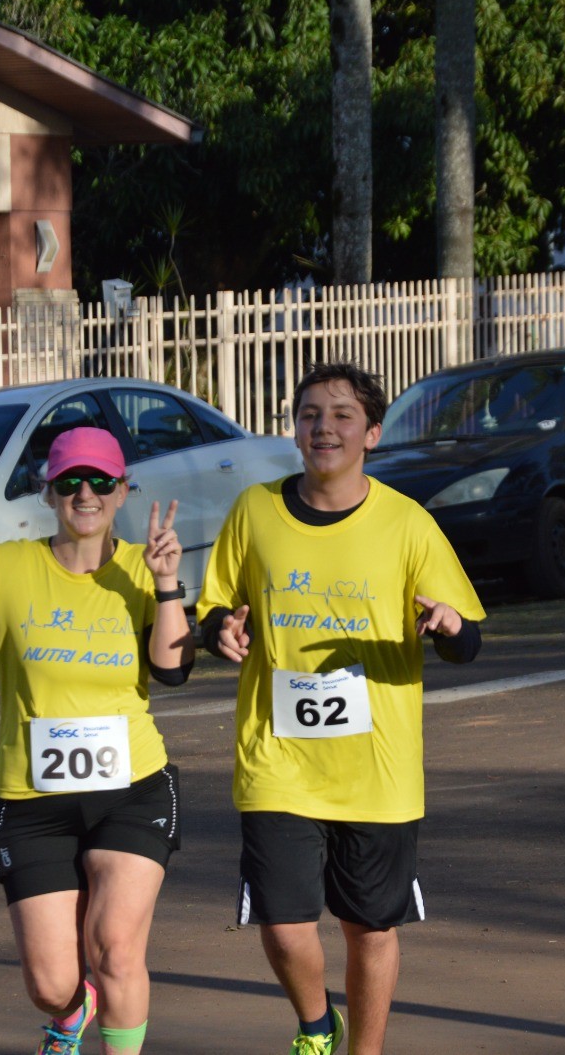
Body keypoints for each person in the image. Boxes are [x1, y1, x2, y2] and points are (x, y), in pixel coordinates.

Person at [196, 361, 485, 1055]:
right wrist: (220, 631)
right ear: (294, 429)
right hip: (278, 758)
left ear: (372, 434)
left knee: (370, 929)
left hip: (376, 770)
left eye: (341, 415)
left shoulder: (406, 524)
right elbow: (214, 606)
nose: (323, 427)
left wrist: (448, 625)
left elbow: (468, 636)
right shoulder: (256, 511)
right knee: (283, 919)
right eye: (309, 415)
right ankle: (316, 1024)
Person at [0, 426, 193, 1055]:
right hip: (34, 798)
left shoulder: (142, 566)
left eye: (101, 481)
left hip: (130, 788)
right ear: (48, 492)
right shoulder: (8, 566)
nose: (86, 493)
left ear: (122, 490)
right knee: (52, 983)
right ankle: (68, 1016)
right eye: (70, 481)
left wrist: (167, 586)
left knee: (114, 947)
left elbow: (173, 669)